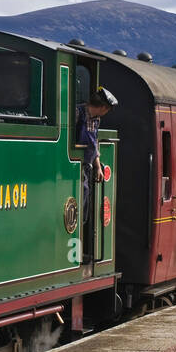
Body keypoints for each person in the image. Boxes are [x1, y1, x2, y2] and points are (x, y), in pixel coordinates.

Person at [74, 86, 117, 266]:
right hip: (75, 166)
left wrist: (98, 166)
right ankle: (76, 251)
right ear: (103, 107)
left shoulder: (95, 119)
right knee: (79, 206)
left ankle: (81, 249)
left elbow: (94, 145)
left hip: (87, 166)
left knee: (85, 207)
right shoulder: (78, 114)